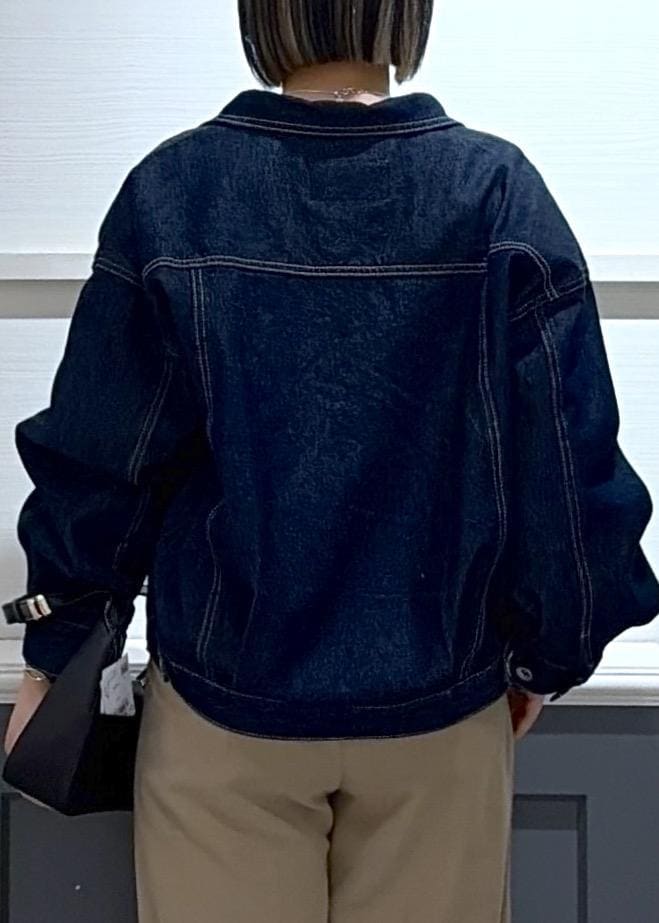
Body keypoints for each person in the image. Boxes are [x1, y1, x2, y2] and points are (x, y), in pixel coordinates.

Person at [4, 1, 659, 920]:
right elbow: (565, 461)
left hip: (225, 709)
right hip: (439, 709)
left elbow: (101, 457)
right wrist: (549, 654)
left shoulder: (176, 190)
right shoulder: (494, 192)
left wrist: (57, 647)